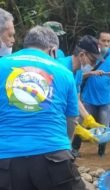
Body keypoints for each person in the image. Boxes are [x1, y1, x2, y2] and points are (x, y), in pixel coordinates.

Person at [0, 25, 85, 190]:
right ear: (53, 51)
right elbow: (71, 121)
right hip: (54, 156)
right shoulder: (64, 73)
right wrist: (64, 147)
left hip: (6, 160)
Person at [58, 35, 105, 157]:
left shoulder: (78, 72)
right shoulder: (60, 70)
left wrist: (89, 119)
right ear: (82, 55)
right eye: (93, 60)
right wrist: (78, 129)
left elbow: (76, 100)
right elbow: (57, 109)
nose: (94, 65)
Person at [80, 30, 110, 156]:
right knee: (80, 125)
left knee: (104, 130)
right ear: (98, 41)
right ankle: (75, 151)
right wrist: (92, 72)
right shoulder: (90, 55)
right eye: (103, 40)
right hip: (88, 99)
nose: (106, 43)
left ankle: (101, 155)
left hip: (105, 101)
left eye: (108, 41)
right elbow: (80, 76)